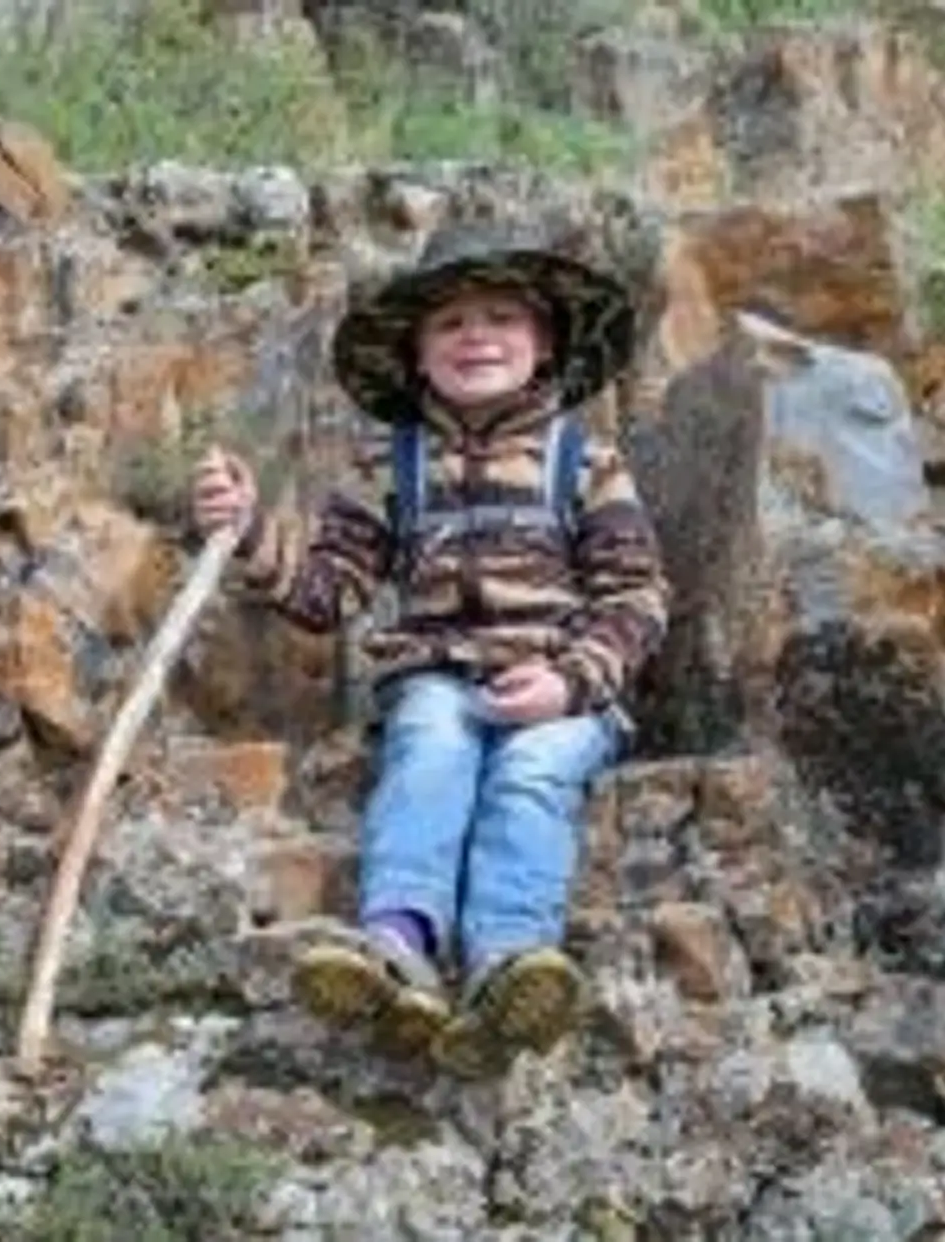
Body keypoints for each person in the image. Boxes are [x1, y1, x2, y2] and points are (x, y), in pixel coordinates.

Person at [189, 219, 669, 1080]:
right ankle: (396, 944)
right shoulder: (391, 463)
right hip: (440, 679)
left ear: (546, 343)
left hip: (560, 685)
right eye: (448, 324)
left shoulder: (586, 461)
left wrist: (570, 682)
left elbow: (636, 596)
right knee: (431, 743)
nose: (475, 336)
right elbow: (326, 592)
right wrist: (250, 530)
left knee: (530, 773)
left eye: (500, 318)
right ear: (415, 354)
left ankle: (508, 965)